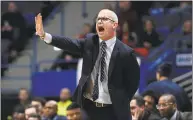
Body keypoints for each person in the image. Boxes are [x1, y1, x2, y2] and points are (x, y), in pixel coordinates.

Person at [35, 9, 140, 120]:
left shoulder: (126, 53)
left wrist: (120, 99)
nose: (99, 21)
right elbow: (70, 43)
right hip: (88, 107)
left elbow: (133, 83)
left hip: (113, 109)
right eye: (98, 19)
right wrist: (45, 35)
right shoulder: (90, 42)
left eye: (104, 19)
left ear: (114, 25)